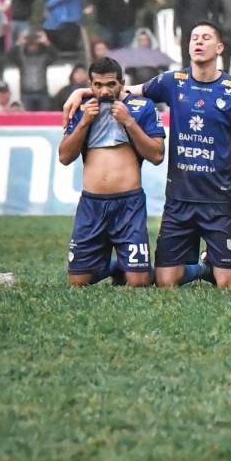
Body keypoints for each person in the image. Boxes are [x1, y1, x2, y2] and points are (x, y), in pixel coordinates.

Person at [64, 22, 231, 288]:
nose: (198, 42)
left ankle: (224, 266)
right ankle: (202, 267)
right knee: (165, 281)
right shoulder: (172, 81)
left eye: (206, 38)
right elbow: (126, 90)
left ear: (219, 48)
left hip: (219, 199)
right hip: (179, 201)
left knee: (228, 285)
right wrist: (82, 91)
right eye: (194, 37)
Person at [59, 56, 165, 287]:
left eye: (110, 85)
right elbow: (64, 157)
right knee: (77, 282)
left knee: (139, 282)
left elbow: (157, 155)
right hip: (92, 204)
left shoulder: (142, 107)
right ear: (90, 84)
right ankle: (118, 266)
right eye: (97, 85)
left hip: (129, 204)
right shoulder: (82, 109)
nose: (104, 91)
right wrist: (84, 122)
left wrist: (129, 122)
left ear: (122, 83)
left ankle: (133, 268)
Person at [172, 0, 219, 64]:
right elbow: (177, 11)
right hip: (186, 27)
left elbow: (214, 10)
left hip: (202, 27)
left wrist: (214, 26)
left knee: (202, 54)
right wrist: (175, 28)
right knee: (186, 54)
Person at [9, 28, 56, 111]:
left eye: (34, 44)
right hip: (26, 94)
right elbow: (9, 56)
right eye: (30, 44)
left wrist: (46, 42)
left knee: (44, 118)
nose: (32, 47)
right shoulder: (21, 58)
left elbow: (55, 55)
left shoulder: (44, 57)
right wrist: (18, 43)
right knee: (27, 120)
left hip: (42, 93)